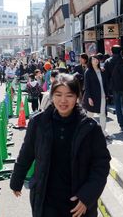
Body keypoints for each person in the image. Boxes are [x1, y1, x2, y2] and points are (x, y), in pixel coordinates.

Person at [10, 74, 111, 217]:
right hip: (46, 198)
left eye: (69, 95)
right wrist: (17, 179)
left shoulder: (90, 128)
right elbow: (27, 153)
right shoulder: (38, 123)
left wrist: (87, 196)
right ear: (51, 96)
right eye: (58, 94)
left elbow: (101, 164)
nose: (63, 100)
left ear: (77, 97)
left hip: (77, 201)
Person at [104, 45, 123, 131]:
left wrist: (107, 87)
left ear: (112, 51)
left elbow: (106, 76)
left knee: (117, 104)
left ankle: (121, 123)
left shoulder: (108, 61)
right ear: (121, 52)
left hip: (114, 86)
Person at [83, 55, 109, 137]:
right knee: (90, 114)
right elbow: (87, 86)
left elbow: (105, 84)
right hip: (93, 96)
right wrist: (89, 97)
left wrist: (107, 94)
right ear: (90, 61)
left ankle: (103, 132)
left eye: (97, 59)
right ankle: (86, 131)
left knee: (103, 114)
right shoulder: (88, 72)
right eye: (93, 59)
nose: (96, 60)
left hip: (102, 95)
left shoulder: (102, 70)